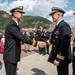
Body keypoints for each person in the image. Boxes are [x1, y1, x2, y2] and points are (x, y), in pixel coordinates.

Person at [3, 6, 45, 75]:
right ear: (15, 14)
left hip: (12, 55)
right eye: (21, 13)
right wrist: (36, 43)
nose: (22, 15)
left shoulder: (13, 24)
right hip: (10, 56)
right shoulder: (12, 25)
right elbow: (22, 37)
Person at [47, 7, 71, 75]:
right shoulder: (58, 26)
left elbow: (65, 43)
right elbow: (53, 40)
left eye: (53, 15)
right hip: (58, 56)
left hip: (62, 57)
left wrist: (59, 58)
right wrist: (44, 44)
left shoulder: (64, 25)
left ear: (58, 15)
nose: (52, 16)